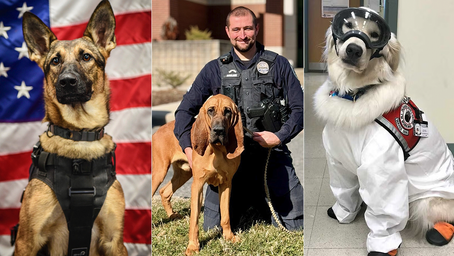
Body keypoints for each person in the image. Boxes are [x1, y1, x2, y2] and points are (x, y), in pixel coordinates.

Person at [174, 6, 304, 231]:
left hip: (271, 158)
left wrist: (279, 136)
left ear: (257, 28)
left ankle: (261, 202)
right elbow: (184, 112)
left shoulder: (279, 65)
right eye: (236, 29)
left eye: (247, 28)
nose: (242, 35)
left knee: (296, 225)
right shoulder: (214, 70)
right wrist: (189, 149)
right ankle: (251, 203)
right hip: (227, 159)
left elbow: (300, 109)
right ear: (227, 31)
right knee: (212, 229)